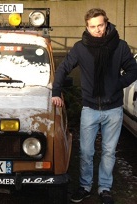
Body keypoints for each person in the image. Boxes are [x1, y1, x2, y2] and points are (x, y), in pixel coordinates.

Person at [52, 8, 137, 204]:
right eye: (92, 27)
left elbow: (133, 70)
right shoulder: (80, 48)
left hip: (113, 109)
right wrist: (56, 92)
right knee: (86, 151)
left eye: (100, 25)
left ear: (106, 23)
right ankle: (85, 186)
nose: (97, 30)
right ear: (87, 27)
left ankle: (105, 188)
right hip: (90, 108)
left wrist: (118, 84)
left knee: (108, 151)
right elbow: (64, 68)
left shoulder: (120, 46)